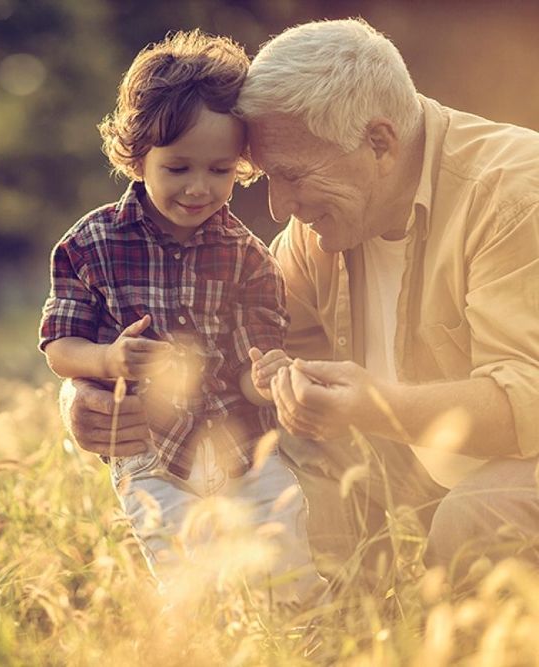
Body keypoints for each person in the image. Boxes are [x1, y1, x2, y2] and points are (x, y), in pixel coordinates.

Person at [63, 17, 539, 586]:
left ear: (379, 143)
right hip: (423, 471)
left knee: (478, 519)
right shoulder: (319, 234)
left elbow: (530, 401)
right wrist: (86, 391)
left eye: (291, 175)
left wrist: (377, 407)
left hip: (517, 466)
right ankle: (330, 626)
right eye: (265, 177)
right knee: (281, 447)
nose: (279, 206)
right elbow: (234, 357)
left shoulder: (514, 196)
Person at [38, 29, 326, 603]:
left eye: (220, 171)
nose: (199, 188)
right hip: (149, 453)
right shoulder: (90, 244)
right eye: (178, 169)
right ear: (137, 156)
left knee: (286, 562)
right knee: (190, 581)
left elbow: (250, 365)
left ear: (241, 165)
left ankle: (302, 636)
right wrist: (108, 358)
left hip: (241, 446)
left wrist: (266, 376)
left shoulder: (249, 258)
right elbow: (59, 347)